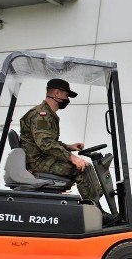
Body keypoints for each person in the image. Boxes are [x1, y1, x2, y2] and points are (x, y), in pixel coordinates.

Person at [19, 78, 102, 210]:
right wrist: (72, 158)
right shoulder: (42, 115)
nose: (67, 99)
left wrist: (69, 147)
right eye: (66, 95)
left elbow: (47, 141)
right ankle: (94, 211)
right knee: (82, 169)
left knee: (84, 166)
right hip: (38, 163)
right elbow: (45, 143)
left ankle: (93, 208)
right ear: (57, 93)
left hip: (41, 159)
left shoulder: (47, 114)